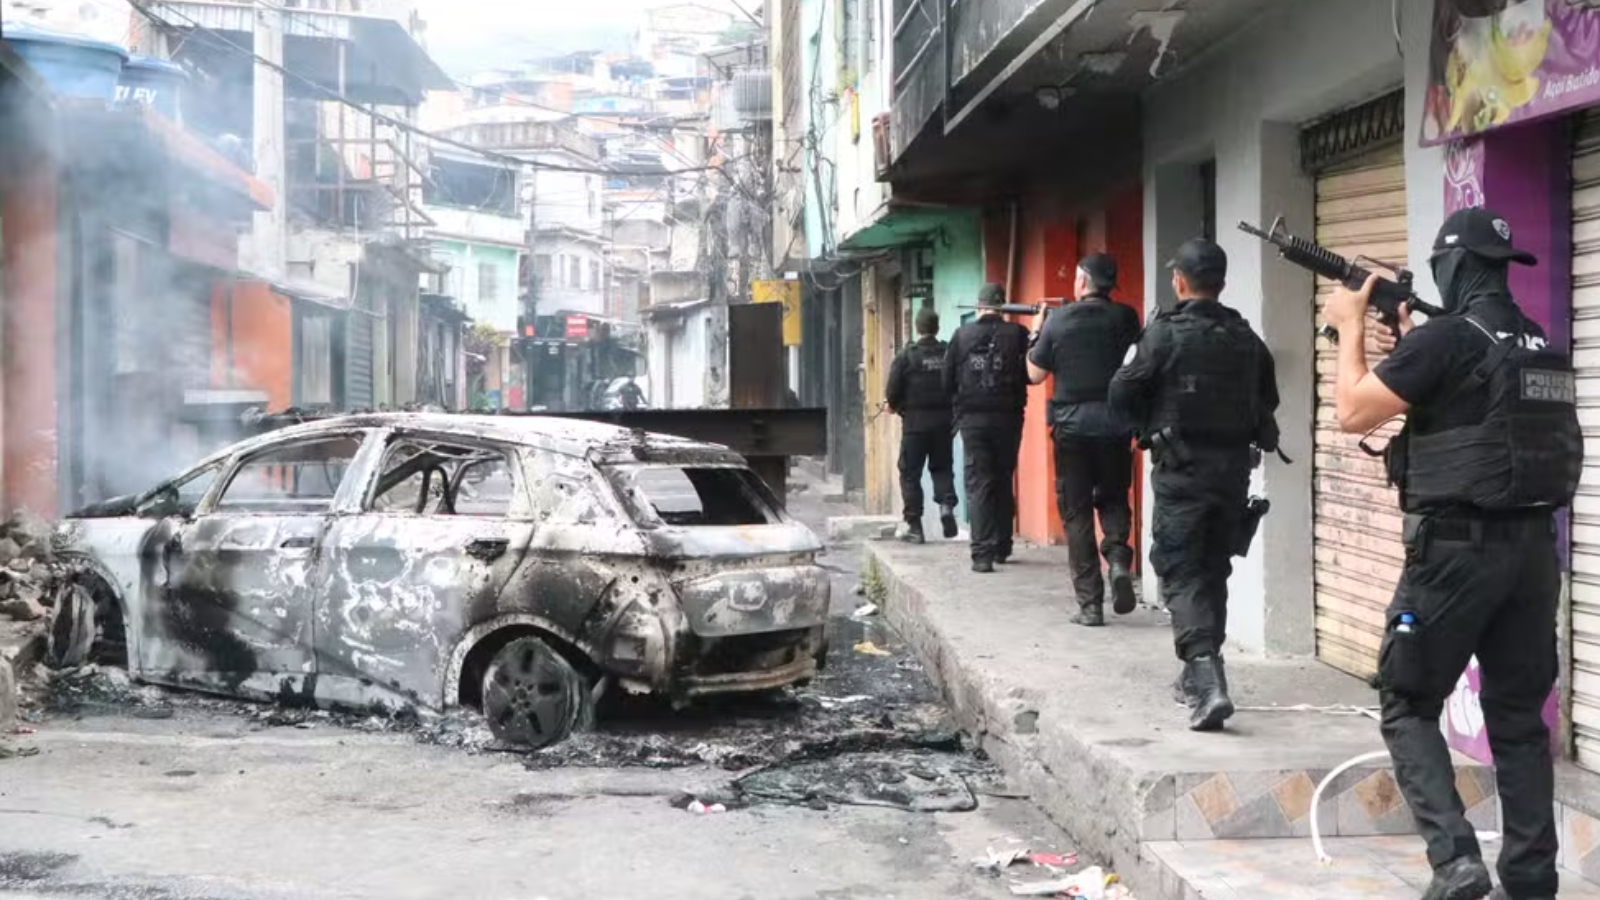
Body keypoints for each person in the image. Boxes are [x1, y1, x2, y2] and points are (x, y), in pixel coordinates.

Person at [1324, 207, 1581, 900]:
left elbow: (1353, 412)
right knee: (1520, 720)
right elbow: (1480, 409)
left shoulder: (1444, 341)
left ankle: (1456, 860)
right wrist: (1413, 341)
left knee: (1407, 703)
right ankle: (1531, 881)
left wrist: (1349, 329)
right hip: (1531, 555)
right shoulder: (1537, 343)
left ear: (1450, 267)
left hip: (1454, 554)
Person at [1107, 238, 1282, 732]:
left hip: (1182, 474)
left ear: (1179, 281)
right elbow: (1268, 399)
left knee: (1181, 572)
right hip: (1231, 476)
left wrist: (1147, 421)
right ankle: (1198, 674)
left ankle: (1206, 678)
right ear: (1221, 282)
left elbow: (1120, 394)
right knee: (1213, 569)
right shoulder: (1246, 339)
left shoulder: (1163, 335)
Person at [1027, 253, 1142, 626]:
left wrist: (1036, 331)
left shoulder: (1058, 322)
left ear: (1080, 282)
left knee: (1076, 513)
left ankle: (1090, 605)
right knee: (1112, 498)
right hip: (1115, 424)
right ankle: (1119, 559)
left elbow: (1034, 375)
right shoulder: (1126, 317)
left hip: (1072, 428)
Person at [944, 283, 1029, 573]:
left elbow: (946, 381)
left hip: (973, 421)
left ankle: (981, 554)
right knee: (1003, 478)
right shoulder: (1018, 335)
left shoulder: (961, 335)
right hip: (1008, 419)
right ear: (1002, 305)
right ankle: (1002, 546)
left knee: (979, 482)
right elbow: (1030, 375)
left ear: (979, 306)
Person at [885, 306, 959, 543]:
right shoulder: (948, 353)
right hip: (943, 424)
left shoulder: (907, 356)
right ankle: (946, 506)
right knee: (942, 468)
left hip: (915, 425)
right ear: (937, 328)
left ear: (917, 328)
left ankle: (915, 526)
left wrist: (893, 405)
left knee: (909, 473)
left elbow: (892, 392)